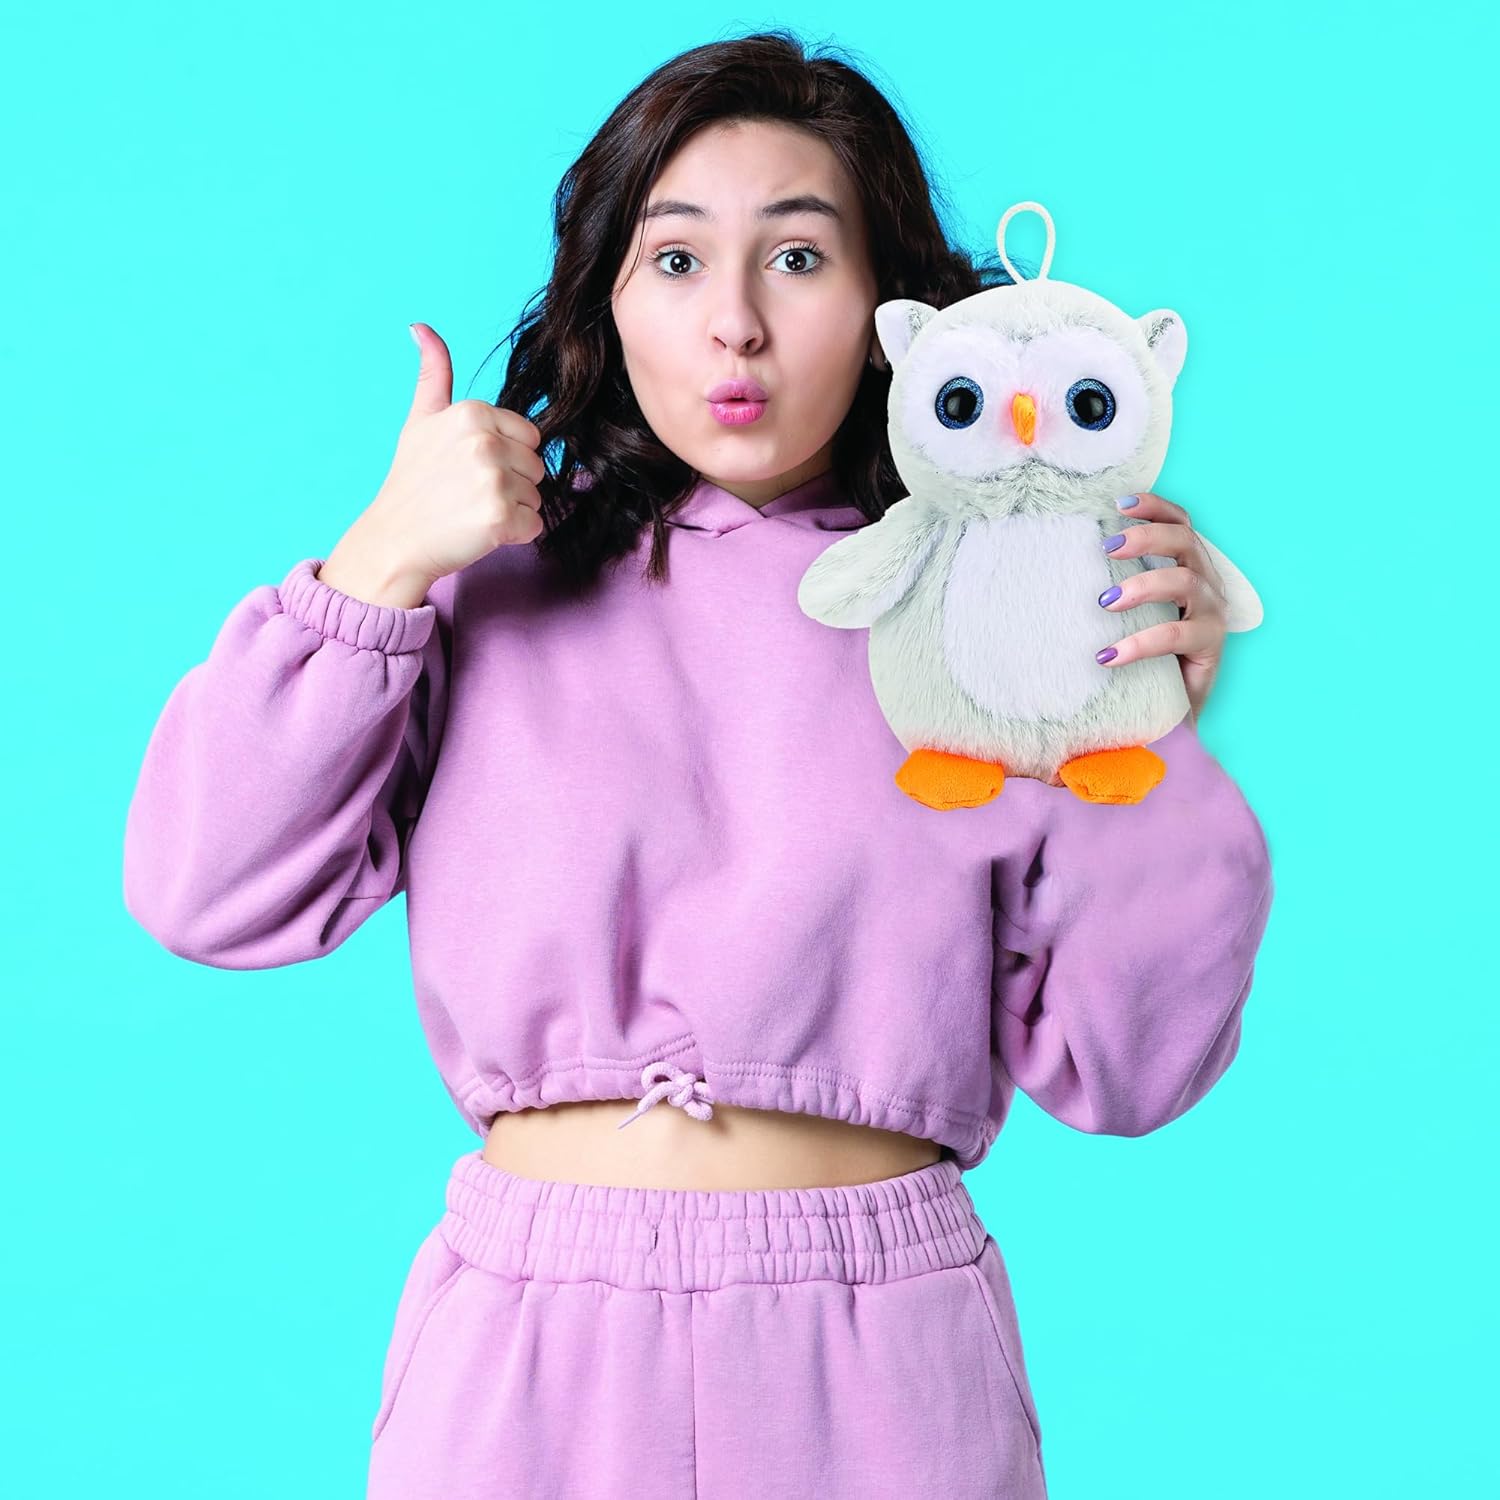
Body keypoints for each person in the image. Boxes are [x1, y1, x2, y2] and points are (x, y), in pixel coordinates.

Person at [122, 30, 1274, 1500]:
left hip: (879, 1355)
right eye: (675, 260)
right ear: (607, 300)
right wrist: (378, 566)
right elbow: (206, 890)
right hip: (532, 1359)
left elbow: (1136, 1069)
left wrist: (1139, 726)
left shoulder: (984, 632)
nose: (735, 323)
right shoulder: (483, 589)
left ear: (889, 310)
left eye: (797, 258)